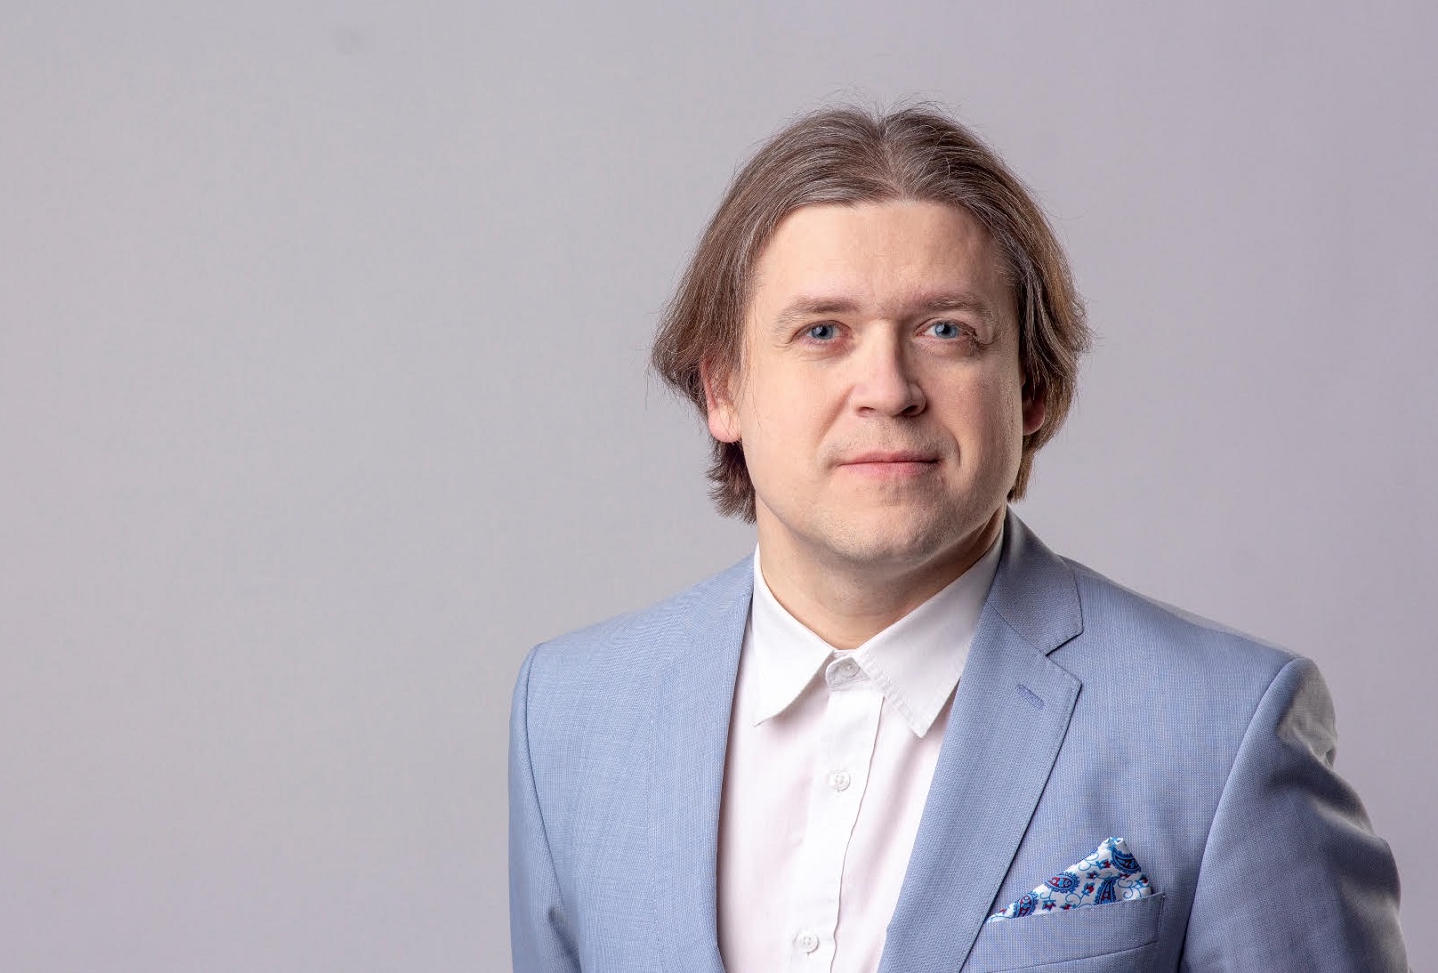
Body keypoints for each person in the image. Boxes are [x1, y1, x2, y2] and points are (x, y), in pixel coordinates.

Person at [507, 105, 1408, 972]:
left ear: (1032, 389)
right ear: (721, 391)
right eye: (822, 332)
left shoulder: (1226, 728)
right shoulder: (570, 715)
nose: (888, 390)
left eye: (946, 331)